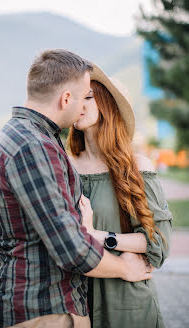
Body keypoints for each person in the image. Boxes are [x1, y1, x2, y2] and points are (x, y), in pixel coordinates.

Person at [0, 50, 153, 328]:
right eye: (84, 95)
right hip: (46, 309)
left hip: (40, 305)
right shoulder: (33, 146)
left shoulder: (21, 135)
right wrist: (124, 267)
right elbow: (70, 249)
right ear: (66, 99)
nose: (83, 106)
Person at [66, 64, 173, 328]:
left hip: (127, 305)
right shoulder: (64, 166)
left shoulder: (137, 167)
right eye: (77, 97)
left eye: (89, 97)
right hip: (77, 307)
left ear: (108, 107)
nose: (80, 103)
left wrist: (101, 237)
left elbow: (158, 242)